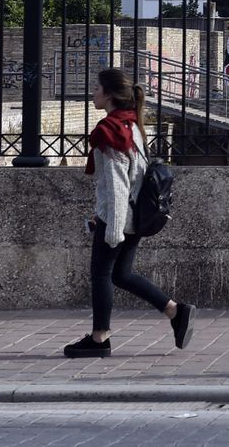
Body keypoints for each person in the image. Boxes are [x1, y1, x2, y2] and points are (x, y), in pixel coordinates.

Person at [63, 67, 195, 359]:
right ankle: (175, 311)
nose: (93, 93)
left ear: (109, 94)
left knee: (101, 275)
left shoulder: (109, 132)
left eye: (96, 88)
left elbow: (118, 186)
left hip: (119, 220)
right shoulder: (131, 126)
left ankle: (99, 339)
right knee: (121, 274)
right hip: (135, 218)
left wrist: (111, 229)